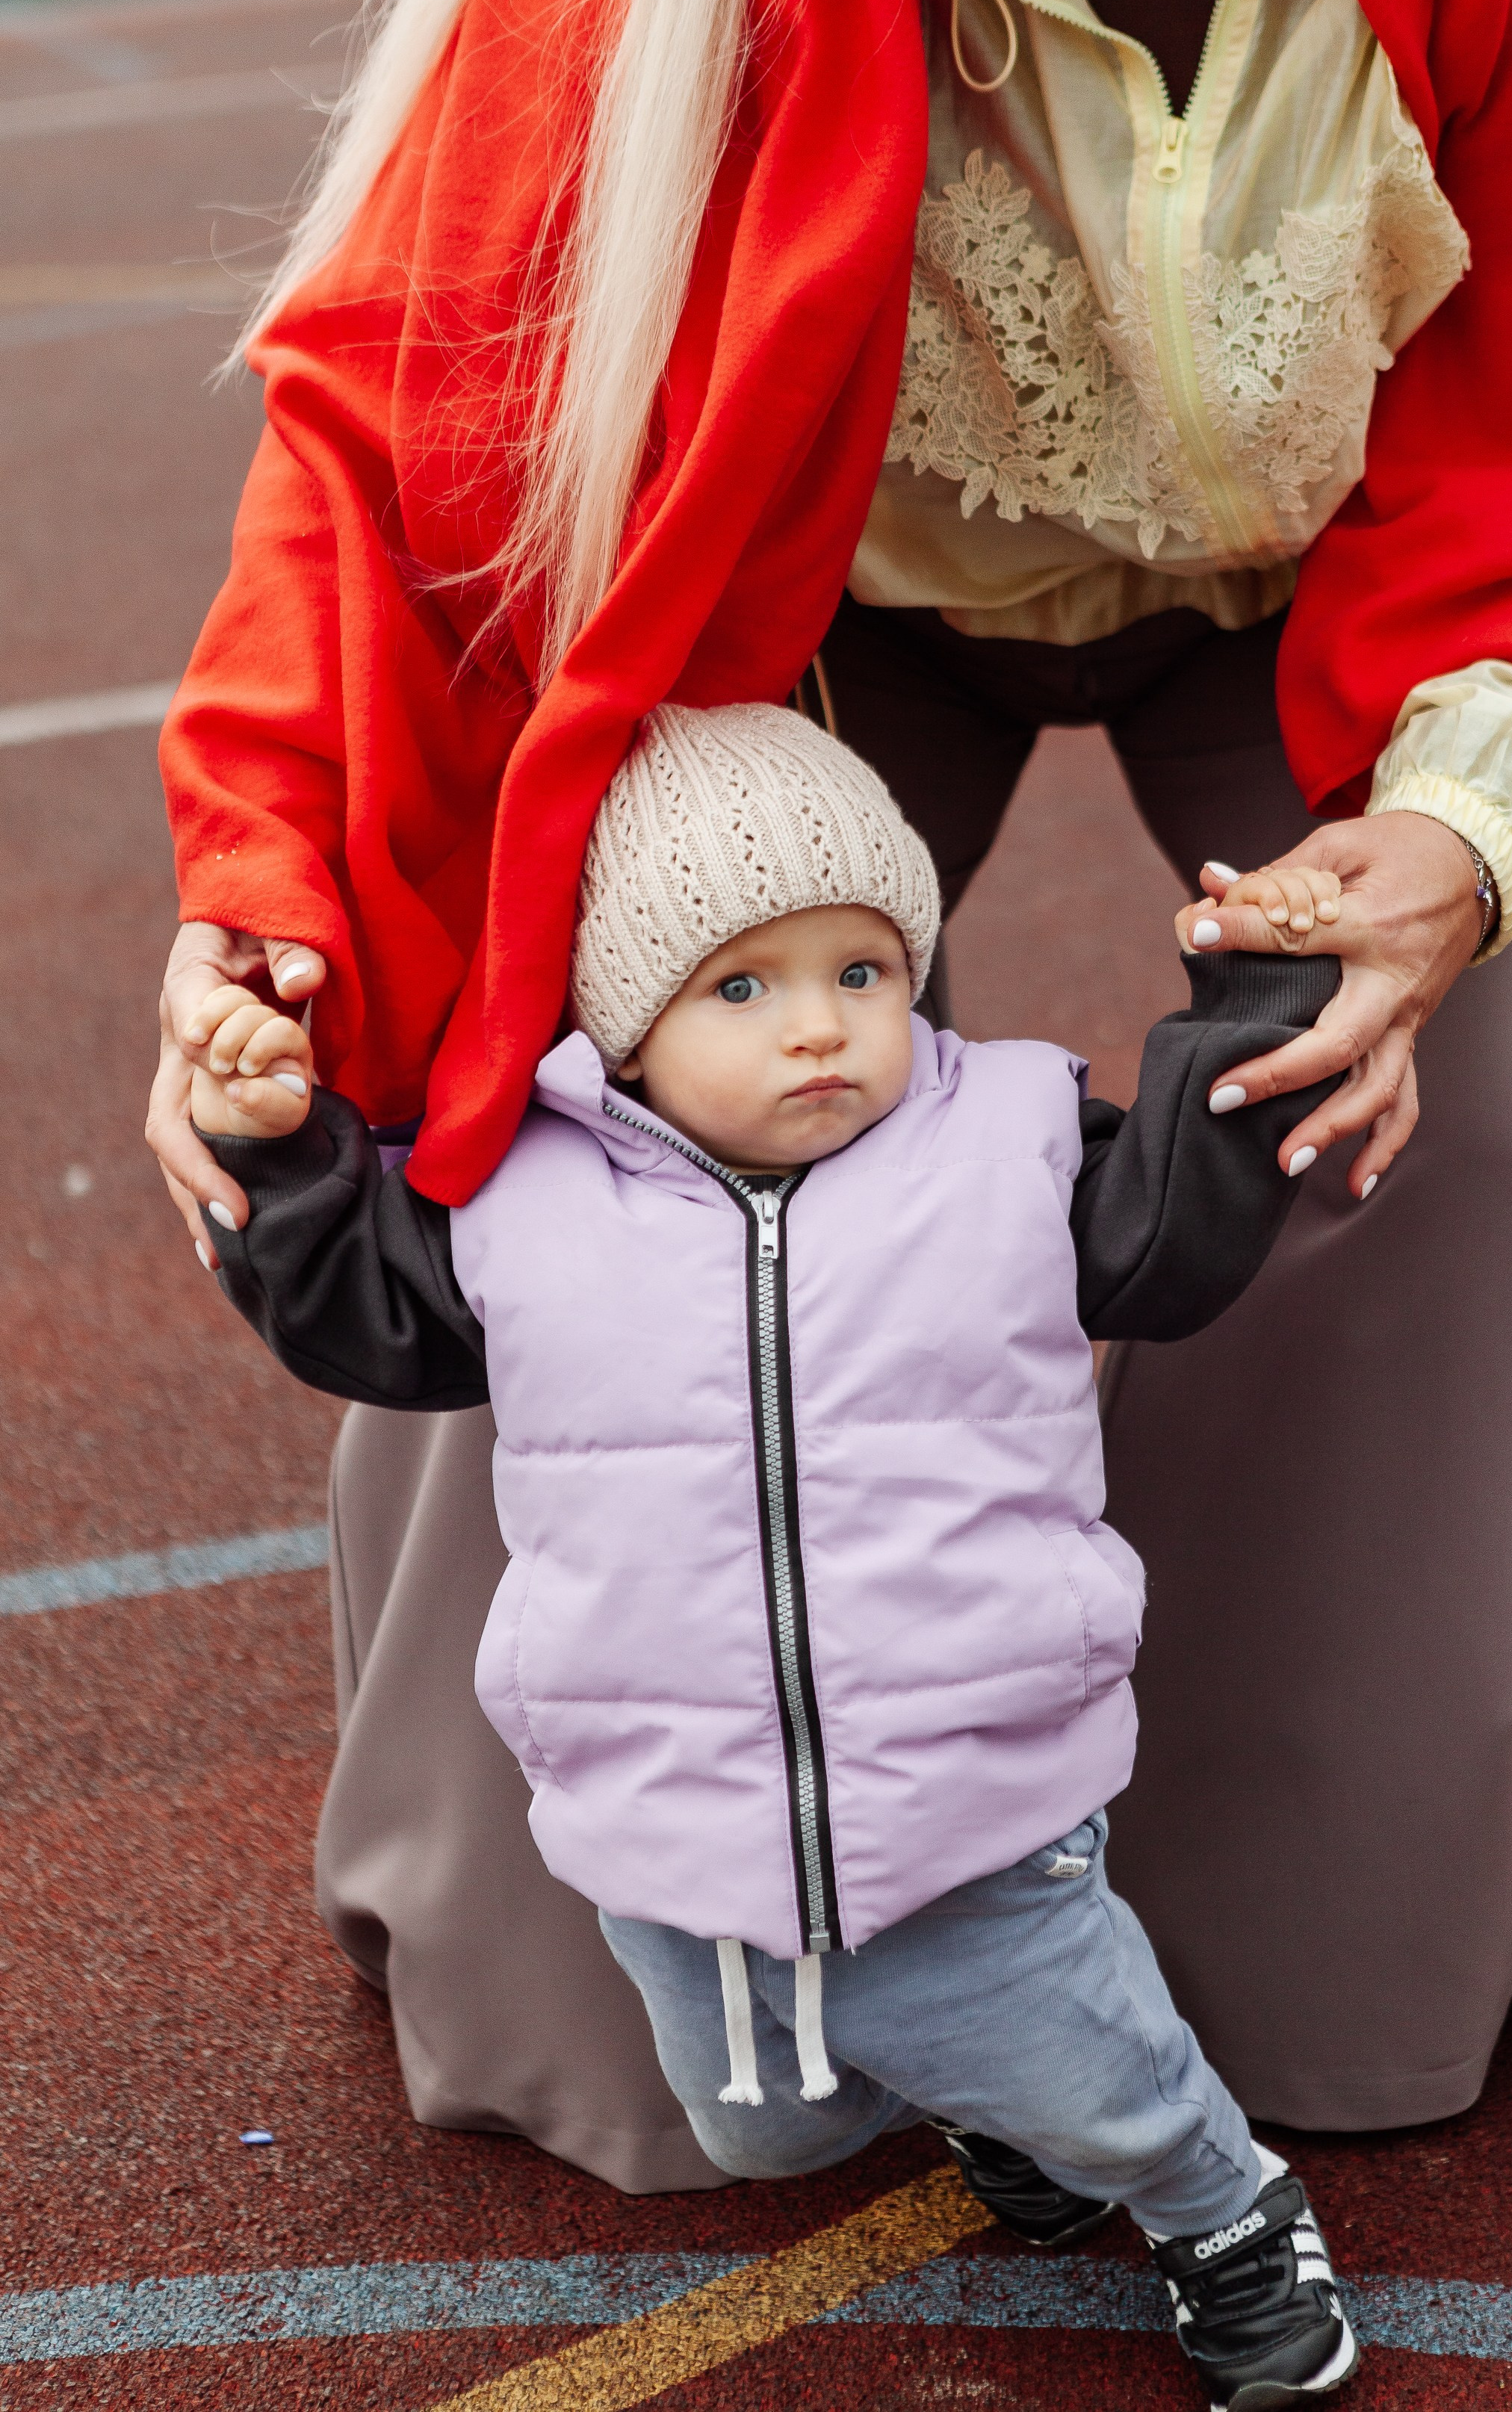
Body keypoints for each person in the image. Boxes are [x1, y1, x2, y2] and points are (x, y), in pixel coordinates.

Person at [147, 0, 1512, 2168]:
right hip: (799, 612)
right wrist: (258, 915)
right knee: (596, 1147)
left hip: (1339, 598)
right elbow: (405, 427)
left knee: (1466, 1115)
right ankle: (563, 1877)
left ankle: (1412, 1820)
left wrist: (1443, 827)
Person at [184, 702, 1362, 2411]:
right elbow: (359, 1317)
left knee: (1098, 2062)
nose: (818, 1027)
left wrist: (1255, 994)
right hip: (668, 1798)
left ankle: (1222, 2212)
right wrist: (282, 1152)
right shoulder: (522, 1202)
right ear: (624, 1021)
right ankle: (983, 2100)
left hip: (980, 1778)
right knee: (764, 2120)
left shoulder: (1006, 1147)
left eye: (863, 972)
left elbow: (1175, 1234)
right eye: (743, 987)